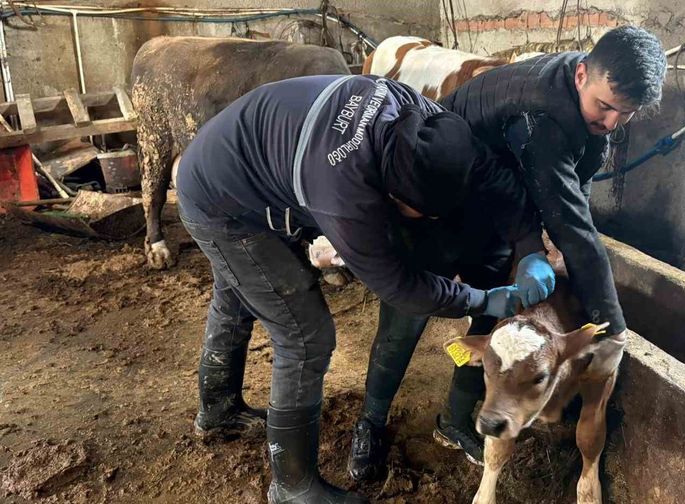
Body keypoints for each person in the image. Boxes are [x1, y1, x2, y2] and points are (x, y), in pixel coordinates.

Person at [176, 73, 550, 503]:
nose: (428, 221)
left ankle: (219, 410)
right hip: (221, 204)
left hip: (238, 160)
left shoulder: (427, 122)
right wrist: (480, 299)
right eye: (421, 213)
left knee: (239, 289)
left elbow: (487, 173)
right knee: (304, 332)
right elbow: (397, 286)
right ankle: (293, 487)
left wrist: (528, 246)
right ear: (390, 194)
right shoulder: (346, 195)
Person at [347, 25, 668, 477]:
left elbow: (571, 190)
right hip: (436, 213)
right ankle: (371, 423)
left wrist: (528, 246)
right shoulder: (543, 117)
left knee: (493, 325)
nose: (612, 123)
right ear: (581, 75)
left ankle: (454, 421)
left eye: (626, 114)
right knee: (406, 316)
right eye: (606, 107)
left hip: (501, 221)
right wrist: (612, 327)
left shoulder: (586, 97)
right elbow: (573, 226)